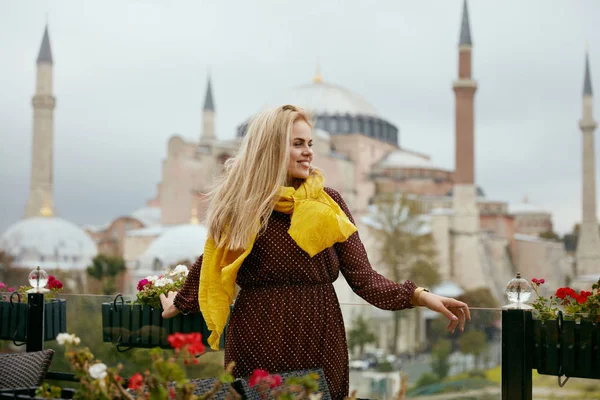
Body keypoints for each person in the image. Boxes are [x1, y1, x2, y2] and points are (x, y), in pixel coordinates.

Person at [160, 104, 470, 399]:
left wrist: (421, 295)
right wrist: (180, 302)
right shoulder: (243, 206)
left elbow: (364, 279)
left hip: (319, 336)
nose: (308, 151)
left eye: (309, 143)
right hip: (257, 336)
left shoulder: (328, 203)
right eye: (297, 143)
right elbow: (213, 260)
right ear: (272, 148)